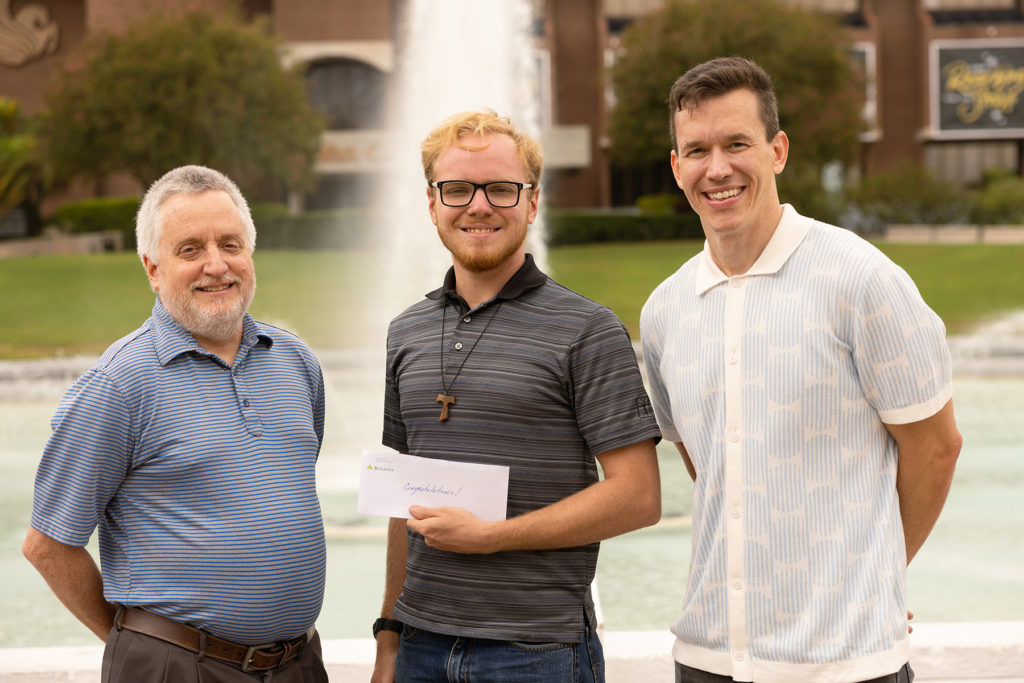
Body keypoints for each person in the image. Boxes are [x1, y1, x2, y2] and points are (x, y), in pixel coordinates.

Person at [640, 57, 963, 683]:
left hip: (844, 664)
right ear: (677, 167)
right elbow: (707, 465)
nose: (718, 168)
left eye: (738, 144)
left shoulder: (861, 279)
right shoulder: (663, 312)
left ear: (777, 150)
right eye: (697, 150)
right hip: (706, 659)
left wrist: (880, 577)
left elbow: (937, 449)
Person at [370, 110, 663, 683]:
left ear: (532, 203)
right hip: (420, 650)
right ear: (432, 204)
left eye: (502, 189)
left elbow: (639, 497)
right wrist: (389, 636)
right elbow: (400, 501)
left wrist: (491, 539)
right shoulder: (405, 331)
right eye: (457, 189)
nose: (479, 206)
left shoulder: (587, 329)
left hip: (536, 652)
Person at [22, 165, 329, 682]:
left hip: (297, 665)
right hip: (175, 669)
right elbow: (48, 544)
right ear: (153, 268)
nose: (216, 265)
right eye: (190, 250)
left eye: (230, 244)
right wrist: (141, 644)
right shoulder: (118, 385)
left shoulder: (295, 362)